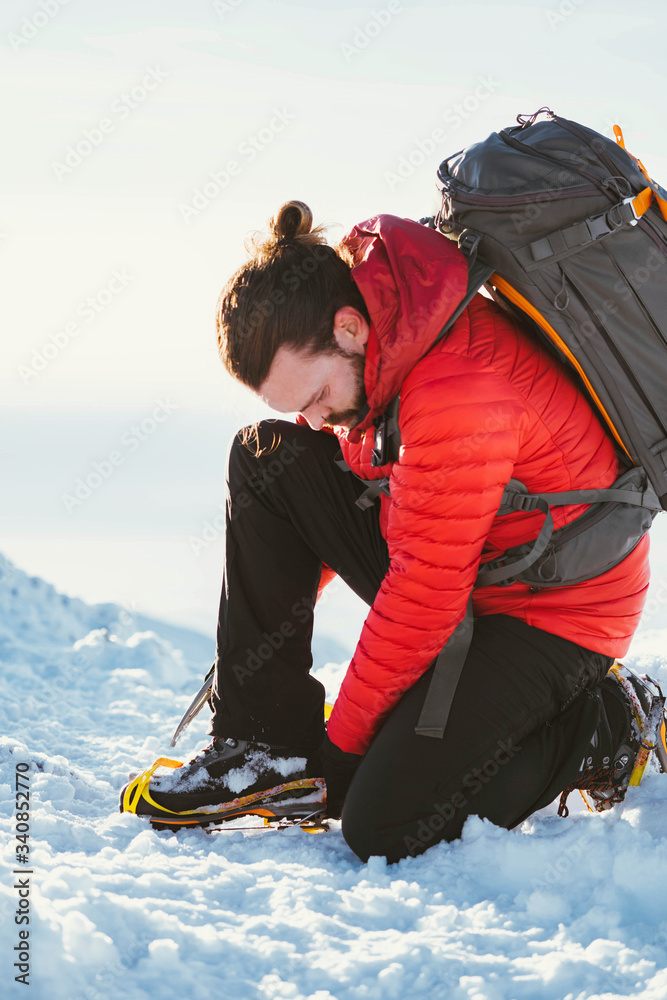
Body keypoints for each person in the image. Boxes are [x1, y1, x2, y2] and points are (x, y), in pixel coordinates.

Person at [122, 200, 661, 863]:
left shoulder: (455, 391)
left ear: (347, 328)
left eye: (316, 397)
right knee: (269, 457)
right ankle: (259, 741)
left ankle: (606, 722)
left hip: (551, 613)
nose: (316, 422)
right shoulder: (390, 337)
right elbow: (379, 506)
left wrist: (338, 757)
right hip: (472, 561)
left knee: (381, 823)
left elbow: (423, 598)